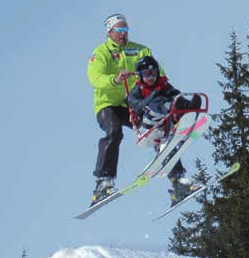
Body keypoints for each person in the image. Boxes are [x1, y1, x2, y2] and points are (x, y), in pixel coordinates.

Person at [86, 12, 189, 206]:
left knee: (158, 129)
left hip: (133, 104)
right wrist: (115, 79)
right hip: (108, 104)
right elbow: (95, 78)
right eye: (119, 30)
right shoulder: (101, 53)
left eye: (125, 29)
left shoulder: (140, 50)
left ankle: (178, 181)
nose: (123, 33)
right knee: (113, 131)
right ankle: (103, 183)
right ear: (109, 32)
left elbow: (158, 74)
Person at [127, 55, 203, 205]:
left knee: (168, 149)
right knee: (159, 103)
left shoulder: (163, 85)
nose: (151, 77)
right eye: (147, 74)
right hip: (149, 124)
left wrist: (180, 101)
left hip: (165, 125)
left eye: (154, 73)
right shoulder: (138, 90)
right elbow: (135, 106)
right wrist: (153, 96)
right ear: (140, 75)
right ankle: (176, 113)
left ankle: (179, 185)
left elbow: (176, 94)